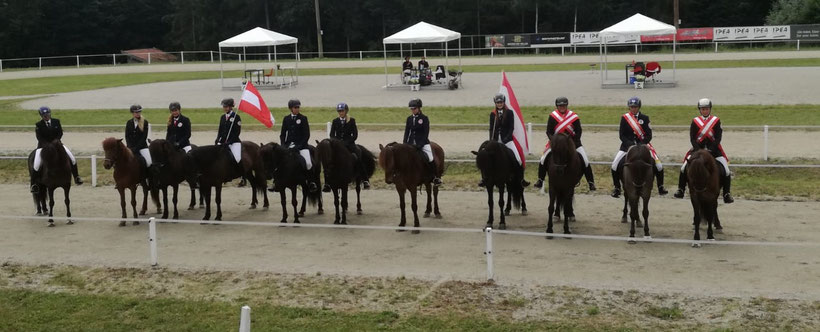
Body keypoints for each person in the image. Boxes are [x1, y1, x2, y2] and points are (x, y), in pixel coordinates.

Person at [673, 98, 734, 203]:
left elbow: (718, 137)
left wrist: (711, 149)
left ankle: (726, 193)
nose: (705, 111)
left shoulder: (716, 121)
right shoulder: (695, 121)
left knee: (726, 170)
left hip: (714, 150)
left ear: (710, 109)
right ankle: (681, 189)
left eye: (706, 109)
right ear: (699, 110)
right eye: (702, 109)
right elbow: (692, 138)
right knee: (683, 168)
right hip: (698, 150)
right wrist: (698, 150)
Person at [533, 97, 596, 191]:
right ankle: (540, 180)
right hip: (556, 144)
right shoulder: (552, 116)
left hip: (573, 143)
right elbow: (549, 132)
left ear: (566, 105)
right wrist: (554, 141)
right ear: (557, 106)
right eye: (560, 106)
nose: (562, 107)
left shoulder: (573, 117)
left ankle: (590, 182)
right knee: (543, 159)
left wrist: (572, 143)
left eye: (564, 105)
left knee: (585, 160)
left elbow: (578, 131)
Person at [610, 97, 668, 198]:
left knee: (659, 166)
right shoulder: (624, 118)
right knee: (614, 166)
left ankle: (660, 187)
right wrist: (630, 144)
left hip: (644, 146)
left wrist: (641, 144)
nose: (633, 109)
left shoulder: (645, 118)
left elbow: (649, 135)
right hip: (626, 147)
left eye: (635, 107)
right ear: (629, 107)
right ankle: (617, 188)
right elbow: (621, 135)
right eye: (631, 107)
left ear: (639, 107)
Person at [478, 93, 529, 188]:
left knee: (517, 158)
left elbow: (511, 127)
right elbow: (491, 128)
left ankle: (521, 178)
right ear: (495, 103)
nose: (499, 104)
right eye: (497, 102)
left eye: (501, 102)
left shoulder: (509, 113)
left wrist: (506, 139)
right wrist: (491, 140)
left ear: (503, 102)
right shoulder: (493, 114)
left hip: (507, 140)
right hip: (496, 141)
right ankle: (484, 178)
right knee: (486, 158)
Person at [31, 106, 82, 193]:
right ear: (41, 116)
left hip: (57, 145)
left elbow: (60, 133)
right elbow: (39, 137)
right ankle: (34, 184)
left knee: (72, 158)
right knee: (36, 164)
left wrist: (56, 141)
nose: (46, 116)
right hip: (43, 147)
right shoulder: (38, 125)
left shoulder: (56, 122)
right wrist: (47, 145)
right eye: (44, 115)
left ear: (50, 113)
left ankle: (76, 177)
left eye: (47, 114)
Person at [324, 102, 370, 192]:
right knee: (328, 160)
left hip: (349, 144)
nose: (341, 113)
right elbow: (332, 134)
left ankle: (365, 180)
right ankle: (327, 183)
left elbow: (355, 134)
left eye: (342, 111)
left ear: (346, 111)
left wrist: (347, 142)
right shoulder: (335, 121)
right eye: (339, 111)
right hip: (338, 145)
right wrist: (336, 142)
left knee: (358, 157)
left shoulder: (351, 120)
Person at [280, 99, 318, 192]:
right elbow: (283, 134)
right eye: (295, 107)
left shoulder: (303, 118)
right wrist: (283, 145)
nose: (297, 109)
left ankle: (310, 182)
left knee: (308, 163)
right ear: (290, 108)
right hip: (289, 145)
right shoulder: (286, 119)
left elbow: (306, 135)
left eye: (298, 107)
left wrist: (299, 146)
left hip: (302, 145)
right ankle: (277, 181)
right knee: (279, 162)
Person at [404, 98, 442, 186]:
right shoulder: (409, 119)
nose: (413, 110)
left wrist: (420, 144)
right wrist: (405, 143)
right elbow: (407, 132)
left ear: (419, 108)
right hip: (410, 143)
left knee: (430, 157)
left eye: (414, 109)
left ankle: (435, 177)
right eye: (411, 109)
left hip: (423, 142)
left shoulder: (424, 118)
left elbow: (426, 133)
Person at [215, 98, 243, 176]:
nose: (224, 108)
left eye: (226, 106)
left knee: (237, 158)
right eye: (224, 106)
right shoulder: (222, 117)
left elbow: (237, 132)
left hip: (234, 142)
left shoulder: (236, 117)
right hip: (224, 141)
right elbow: (220, 130)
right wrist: (218, 139)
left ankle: (241, 175)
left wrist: (229, 142)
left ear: (231, 107)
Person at [125, 104, 153, 172]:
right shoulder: (129, 122)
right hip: (130, 147)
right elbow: (127, 136)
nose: (138, 114)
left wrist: (136, 148)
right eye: (136, 112)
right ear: (132, 113)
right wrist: (129, 147)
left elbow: (144, 137)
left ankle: (149, 177)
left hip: (142, 147)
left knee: (149, 162)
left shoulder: (145, 122)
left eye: (139, 112)